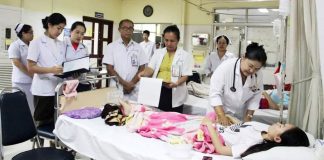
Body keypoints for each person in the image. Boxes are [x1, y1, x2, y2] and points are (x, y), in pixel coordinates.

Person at [139, 25, 193, 113]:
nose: (168, 43)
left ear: (178, 40)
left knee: (174, 119)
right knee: (158, 117)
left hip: (175, 90)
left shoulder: (185, 55)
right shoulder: (158, 53)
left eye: (172, 41)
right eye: (166, 40)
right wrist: (143, 73)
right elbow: (150, 68)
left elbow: (185, 76)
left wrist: (176, 83)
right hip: (158, 89)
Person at [209, 42, 267, 125]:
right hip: (219, 111)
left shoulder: (258, 74)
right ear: (243, 57)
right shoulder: (226, 67)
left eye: (257, 68)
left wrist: (248, 118)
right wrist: (221, 116)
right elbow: (215, 94)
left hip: (239, 115)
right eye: (250, 66)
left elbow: (256, 96)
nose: (252, 71)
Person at [201, 117, 309, 158]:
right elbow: (243, 128)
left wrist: (209, 125)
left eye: (281, 126)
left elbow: (221, 149)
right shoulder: (262, 132)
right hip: (219, 126)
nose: (277, 123)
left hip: (211, 132)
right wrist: (229, 118)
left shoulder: (254, 143)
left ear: (277, 139)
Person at [27, 13, 66, 125]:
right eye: (58, 28)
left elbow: (61, 63)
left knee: (57, 121)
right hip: (43, 90)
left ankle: (54, 142)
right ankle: (39, 142)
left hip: (58, 89)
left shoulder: (61, 44)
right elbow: (31, 67)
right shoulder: (36, 43)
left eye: (62, 29)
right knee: (41, 122)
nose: (60, 32)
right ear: (49, 25)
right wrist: (51, 70)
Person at [103, 19, 148, 101]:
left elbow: (142, 68)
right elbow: (109, 69)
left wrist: (131, 84)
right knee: (115, 111)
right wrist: (124, 84)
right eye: (124, 28)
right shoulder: (111, 47)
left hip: (134, 88)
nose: (127, 30)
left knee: (134, 112)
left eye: (130, 28)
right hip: (117, 87)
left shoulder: (138, 47)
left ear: (133, 30)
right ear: (119, 29)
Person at [8, 23, 34, 113]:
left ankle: (30, 125)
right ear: (23, 33)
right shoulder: (15, 45)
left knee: (31, 106)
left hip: (31, 81)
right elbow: (17, 62)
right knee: (19, 105)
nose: (32, 34)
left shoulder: (32, 45)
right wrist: (30, 73)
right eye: (30, 32)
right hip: (20, 81)